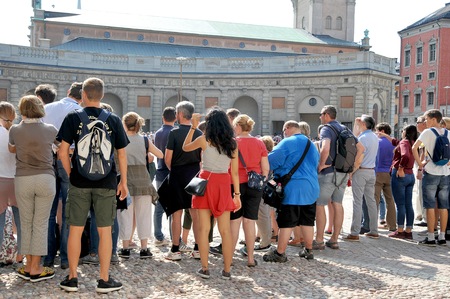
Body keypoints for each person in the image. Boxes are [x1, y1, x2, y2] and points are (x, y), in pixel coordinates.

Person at [58, 78, 129, 293]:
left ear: (83, 96)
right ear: (102, 96)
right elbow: (121, 154)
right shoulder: (113, 119)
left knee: (75, 231)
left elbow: (62, 152)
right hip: (107, 182)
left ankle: (72, 278)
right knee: (105, 230)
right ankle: (104, 280)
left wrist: (72, 175)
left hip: (79, 182)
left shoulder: (72, 117)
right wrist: (123, 182)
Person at [182, 107, 241, 279]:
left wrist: (193, 127)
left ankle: (205, 268)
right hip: (223, 183)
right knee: (225, 230)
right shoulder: (233, 143)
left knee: (204, 228)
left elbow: (185, 148)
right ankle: (227, 271)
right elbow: (235, 173)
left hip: (206, 182)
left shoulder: (203, 139)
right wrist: (237, 195)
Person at [9, 95, 58, 282]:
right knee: (41, 223)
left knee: (26, 223)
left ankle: (28, 266)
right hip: (46, 178)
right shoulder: (50, 129)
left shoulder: (15, 129)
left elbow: (12, 149)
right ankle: (37, 267)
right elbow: (61, 148)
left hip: (23, 178)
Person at [263, 121, 319, 262]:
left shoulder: (287, 143)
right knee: (307, 220)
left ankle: (280, 253)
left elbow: (270, 162)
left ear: (286, 129)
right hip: (311, 188)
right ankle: (308, 250)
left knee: (287, 220)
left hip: (292, 188)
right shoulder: (311, 144)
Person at [42, 82, 83, 269]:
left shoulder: (47, 108)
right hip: (69, 160)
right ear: (82, 97)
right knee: (68, 213)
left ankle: (48, 257)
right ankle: (66, 258)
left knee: (48, 214)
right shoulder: (80, 112)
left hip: (47, 161)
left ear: (68, 92)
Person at [117, 112, 163, 259]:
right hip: (143, 180)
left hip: (125, 180)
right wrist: (147, 154)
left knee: (125, 215)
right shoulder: (144, 140)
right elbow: (160, 155)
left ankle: (125, 248)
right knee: (144, 215)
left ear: (124, 124)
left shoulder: (120, 140)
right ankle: (144, 248)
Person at [317, 106, 363, 247]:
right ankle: (334, 240)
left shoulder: (326, 129)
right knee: (338, 204)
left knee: (320, 205)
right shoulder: (345, 129)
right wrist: (351, 169)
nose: (320, 117)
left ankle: (319, 240)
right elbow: (361, 148)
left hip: (329, 172)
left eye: (320, 114)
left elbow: (325, 148)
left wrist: (320, 164)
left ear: (326, 115)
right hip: (343, 172)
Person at [230, 114, 269, 267]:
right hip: (254, 185)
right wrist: (262, 180)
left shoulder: (233, 142)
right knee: (250, 221)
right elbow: (265, 168)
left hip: (235, 184)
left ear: (238, 127)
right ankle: (251, 258)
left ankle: (231, 257)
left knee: (235, 222)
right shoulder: (259, 143)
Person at [164, 101, 201, 261]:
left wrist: (175, 169)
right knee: (196, 214)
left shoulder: (174, 132)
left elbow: (167, 159)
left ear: (179, 114)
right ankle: (198, 249)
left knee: (176, 214)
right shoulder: (199, 133)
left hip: (178, 174)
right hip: (194, 174)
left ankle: (175, 250)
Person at [412, 109, 449, 246]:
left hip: (431, 172)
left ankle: (431, 237)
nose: (425, 122)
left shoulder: (428, 132)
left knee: (429, 205)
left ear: (434, 119)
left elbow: (414, 148)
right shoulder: (448, 132)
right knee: (443, 206)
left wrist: (420, 164)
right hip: (445, 173)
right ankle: (442, 237)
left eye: (426, 119)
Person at [344, 115, 379, 241]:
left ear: (364, 125)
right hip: (371, 171)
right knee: (371, 201)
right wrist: (356, 124)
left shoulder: (363, 138)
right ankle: (374, 230)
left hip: (361, 170)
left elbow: (359, 155)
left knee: (357, 202)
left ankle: (355, 232)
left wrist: (352, 172)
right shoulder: (374, 136)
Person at [0, 103, 22, 265]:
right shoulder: (19, 132)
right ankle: (21, 259)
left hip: (0, 181)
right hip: (18, 181)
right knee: (21, 224)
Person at [387, 125, 418, 239]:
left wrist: (400, 168)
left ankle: (400, 231)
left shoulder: (404, 142)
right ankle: (408, 231)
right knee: (408, 204)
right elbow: (396, 142)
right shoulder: (413, 142)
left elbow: (404, 155)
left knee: (400, 205)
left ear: (406, 132)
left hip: (401, 174)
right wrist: (386, 136)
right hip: (410, 174)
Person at [153, 107, 175, 247]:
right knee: (173, 207)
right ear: (175, 118)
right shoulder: (174, 132)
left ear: (163, 118)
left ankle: (158, 236)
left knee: (159, 206)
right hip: (171, 172)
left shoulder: (158, 133)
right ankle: (174, 237)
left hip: (160, 171)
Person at [373, 123, 396, 232]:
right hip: (390, 173)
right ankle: (392, 226)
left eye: (377, 131)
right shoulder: (394, 142)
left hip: (378, 172)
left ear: (381, 130)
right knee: (390, 201)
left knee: (375, 199)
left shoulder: (377, 142)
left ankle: (373, 227)